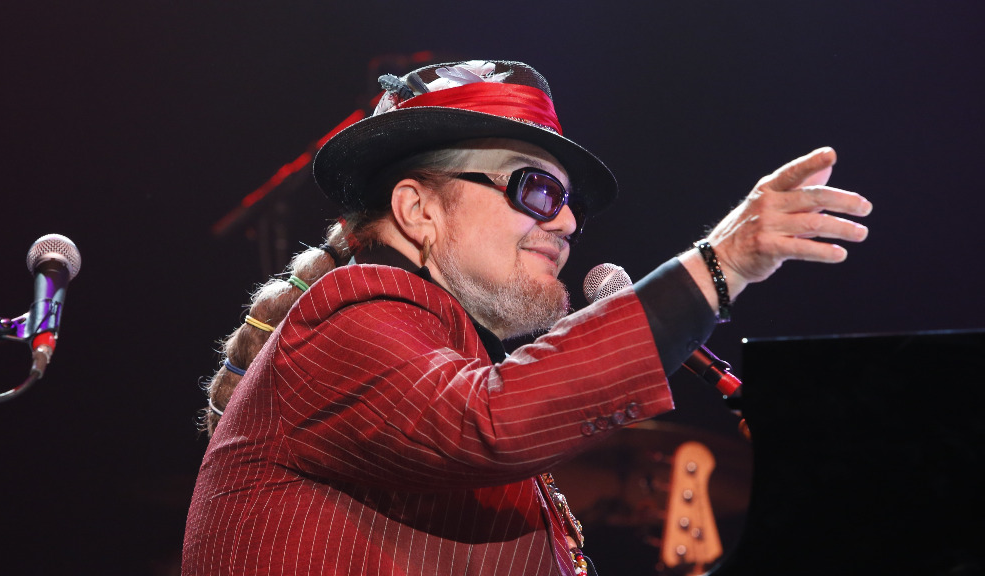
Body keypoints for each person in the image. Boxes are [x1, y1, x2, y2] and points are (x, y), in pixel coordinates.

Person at [182, 59, 871, 575]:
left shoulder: (438, 363)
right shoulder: (345, 317)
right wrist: (720, 265)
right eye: (535, 189)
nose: (566, 223)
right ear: (418, 210)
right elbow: (488, 422)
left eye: (569, 204)